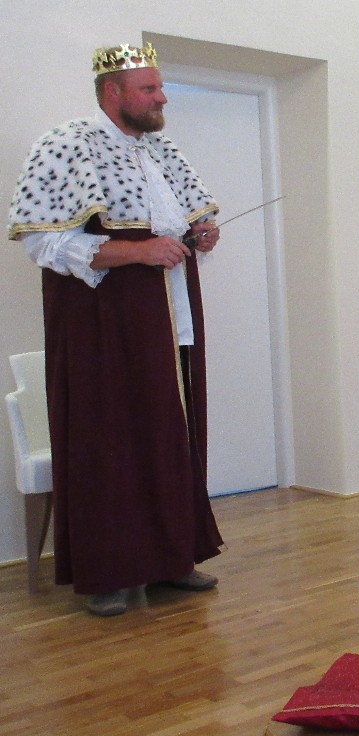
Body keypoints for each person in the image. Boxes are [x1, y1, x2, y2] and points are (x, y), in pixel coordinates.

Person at [7, 42, 225, 617]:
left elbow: (179, 223)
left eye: (160, 87)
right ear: (113, 92)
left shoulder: (161, 150)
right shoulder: (67, 144)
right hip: (104, 321)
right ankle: (110, 572)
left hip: (168, 314)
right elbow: (44, 244)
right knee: (109, 439)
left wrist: (199, 234)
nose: (162, 98)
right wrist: (138, 251)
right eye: (149, 89)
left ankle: (173, 557)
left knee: (170, 433)